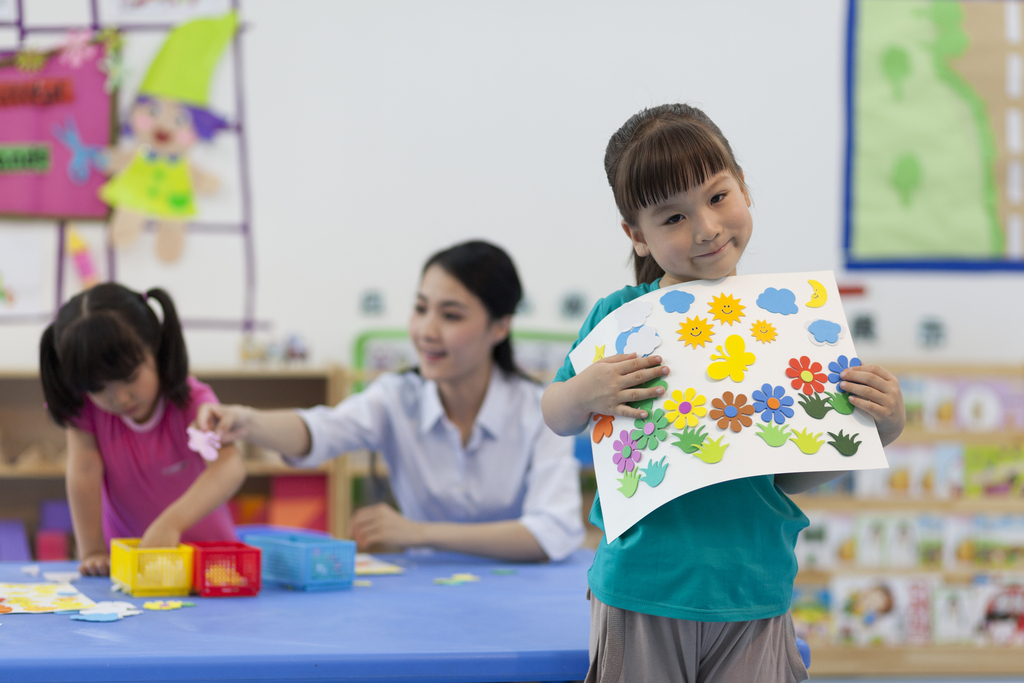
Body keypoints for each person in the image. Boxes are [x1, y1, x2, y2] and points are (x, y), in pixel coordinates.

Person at [541, 104, 906, 682]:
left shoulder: (786, 320)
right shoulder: (618, 317)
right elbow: (556, 415)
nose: (707, 228)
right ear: (637, 236)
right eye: (672, 217)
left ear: (744, 189)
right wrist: (584, 390)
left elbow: (785, 474)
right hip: (641, 588)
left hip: (755, 587)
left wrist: (878, 429)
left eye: (717, 197)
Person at [197, 241, 584, 562]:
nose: (426, 331)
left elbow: (552, 531)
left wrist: (418, 533)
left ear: (500, 327)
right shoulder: (396, 397)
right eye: (420, 309)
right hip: (423, 593)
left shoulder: (542, 411)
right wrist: (248, 421)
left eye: (450, 315)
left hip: (521, 598)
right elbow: (321, 431)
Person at [40, 283, 244, 576]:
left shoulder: (189, 403)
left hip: (210, 568)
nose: (120, 398)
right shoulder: (88, 411)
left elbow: (229, 465)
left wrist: (170, 523)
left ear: (156, 350)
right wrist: (93, 550)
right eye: (99, 388)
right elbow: (83, 471)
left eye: (130, 377)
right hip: (133, 571)